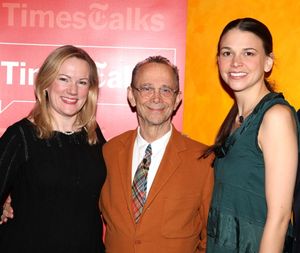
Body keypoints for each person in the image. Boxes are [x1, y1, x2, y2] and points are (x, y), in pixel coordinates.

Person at [100, 55, 214, 253]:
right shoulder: (109, 152)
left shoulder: (203, 160)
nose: (156, 98)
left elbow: (211, 237)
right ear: (131, 96)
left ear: (177, 99)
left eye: (166, 90)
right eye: (146, 88)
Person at [205, 18, 299, 253]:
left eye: (248, 53)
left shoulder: (275, 117)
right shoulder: (236, 119)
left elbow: (279, 218)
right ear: (218, 61)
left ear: (268, 62)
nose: (235, 62)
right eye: (227, 53)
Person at [0, 45, 106, 252]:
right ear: (46, 83)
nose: (72, 90)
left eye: (82, 82)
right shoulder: (21, 136)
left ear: (90, 90)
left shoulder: (94, 136)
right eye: (63, 79)